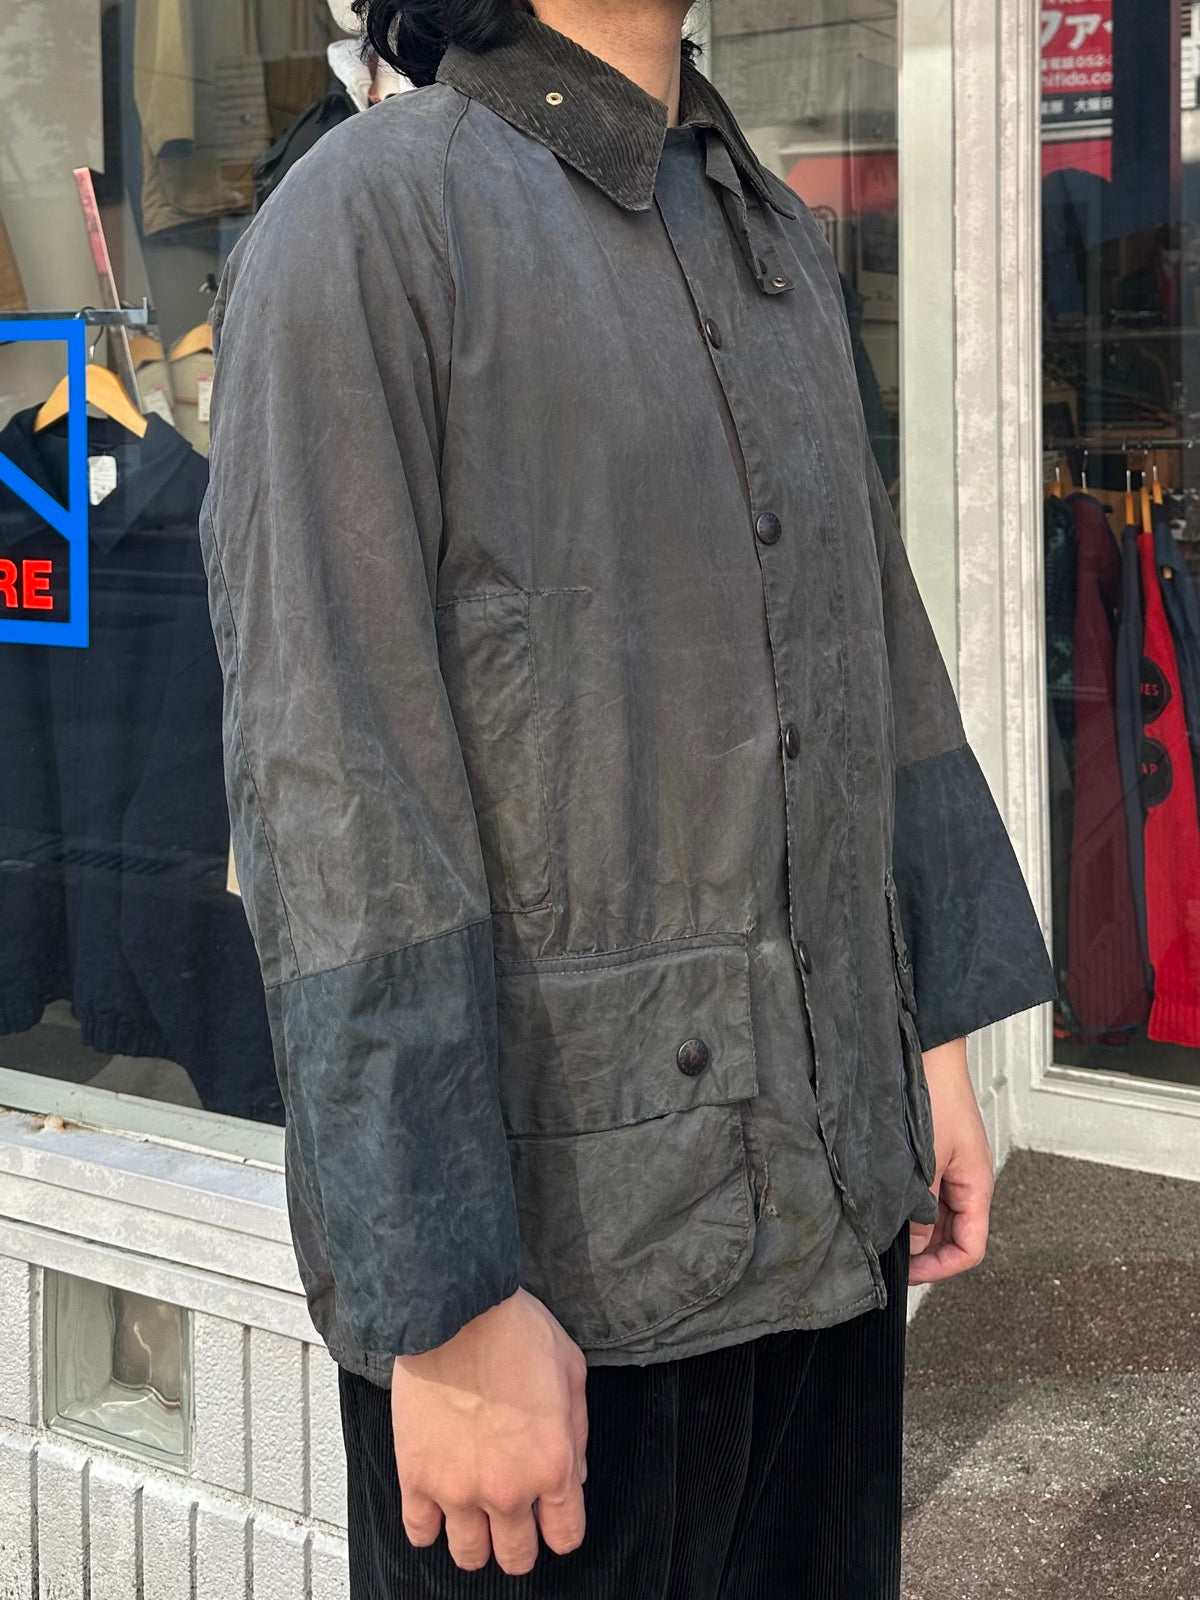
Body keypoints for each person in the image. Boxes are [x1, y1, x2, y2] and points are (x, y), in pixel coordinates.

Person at [199, 0, 1057, 1594]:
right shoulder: (372, 220)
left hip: (830, 1219)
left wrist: (924, 1043)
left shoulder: (767, 231)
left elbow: (870, 650)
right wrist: (446, 1309)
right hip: (554, 1302)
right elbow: (332, 782)